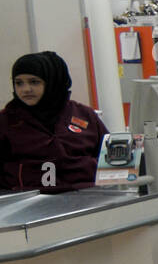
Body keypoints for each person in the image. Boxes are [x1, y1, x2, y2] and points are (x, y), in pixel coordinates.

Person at [1, 51, 108, 193]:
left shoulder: (84, 115)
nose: (25, 89)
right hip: (29, 201)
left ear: (53, 82)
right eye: (19, 83)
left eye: (34, 82)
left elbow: (109, 157)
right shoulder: (7, 121)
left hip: (90, 195)